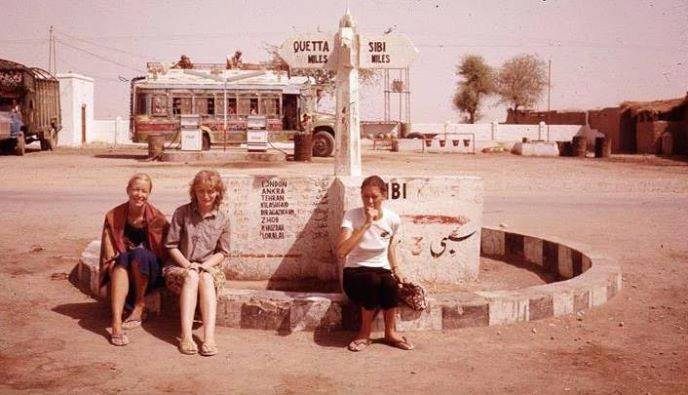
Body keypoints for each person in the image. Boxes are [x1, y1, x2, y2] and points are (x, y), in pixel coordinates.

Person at [336, 175, 414, 352]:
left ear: (384, 195)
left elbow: (391, 247)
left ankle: (390, 332)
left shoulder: (393, 219)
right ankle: (364, 333)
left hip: (381, 269)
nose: (369, 201)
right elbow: (341, 252)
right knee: (372, 280)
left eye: (374, 196)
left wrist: (396, 270)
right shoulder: (351, 216)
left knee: (390, 282)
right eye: (365, 196)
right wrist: (365, 225)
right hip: (355, 272)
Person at [164, 170, 229, 356]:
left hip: (208, 267)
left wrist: (204, 266)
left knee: (206, 278)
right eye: (201, 191)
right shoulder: (182, 213)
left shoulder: (223, 219)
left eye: (211, 191)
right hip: (180, 265)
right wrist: (188, 265)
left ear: (218, 192)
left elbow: (223, 252)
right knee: (192, 276)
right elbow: (171, 246)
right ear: (194, 191)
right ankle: (186, 336)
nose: (206, 196)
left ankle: (209, 338)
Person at [99, 173, 169, 346]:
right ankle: (116, 323)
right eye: (136, 189)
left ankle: (139, 305)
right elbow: (109, 254)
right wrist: (112, 265)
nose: (140, 194)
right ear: (128, 190)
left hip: (150, 271)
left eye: (144, 191)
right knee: (122, 259)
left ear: (149, 194)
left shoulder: (157, 218)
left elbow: (165, 252)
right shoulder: (113, 216)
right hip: (123, 269)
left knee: (139, 254)